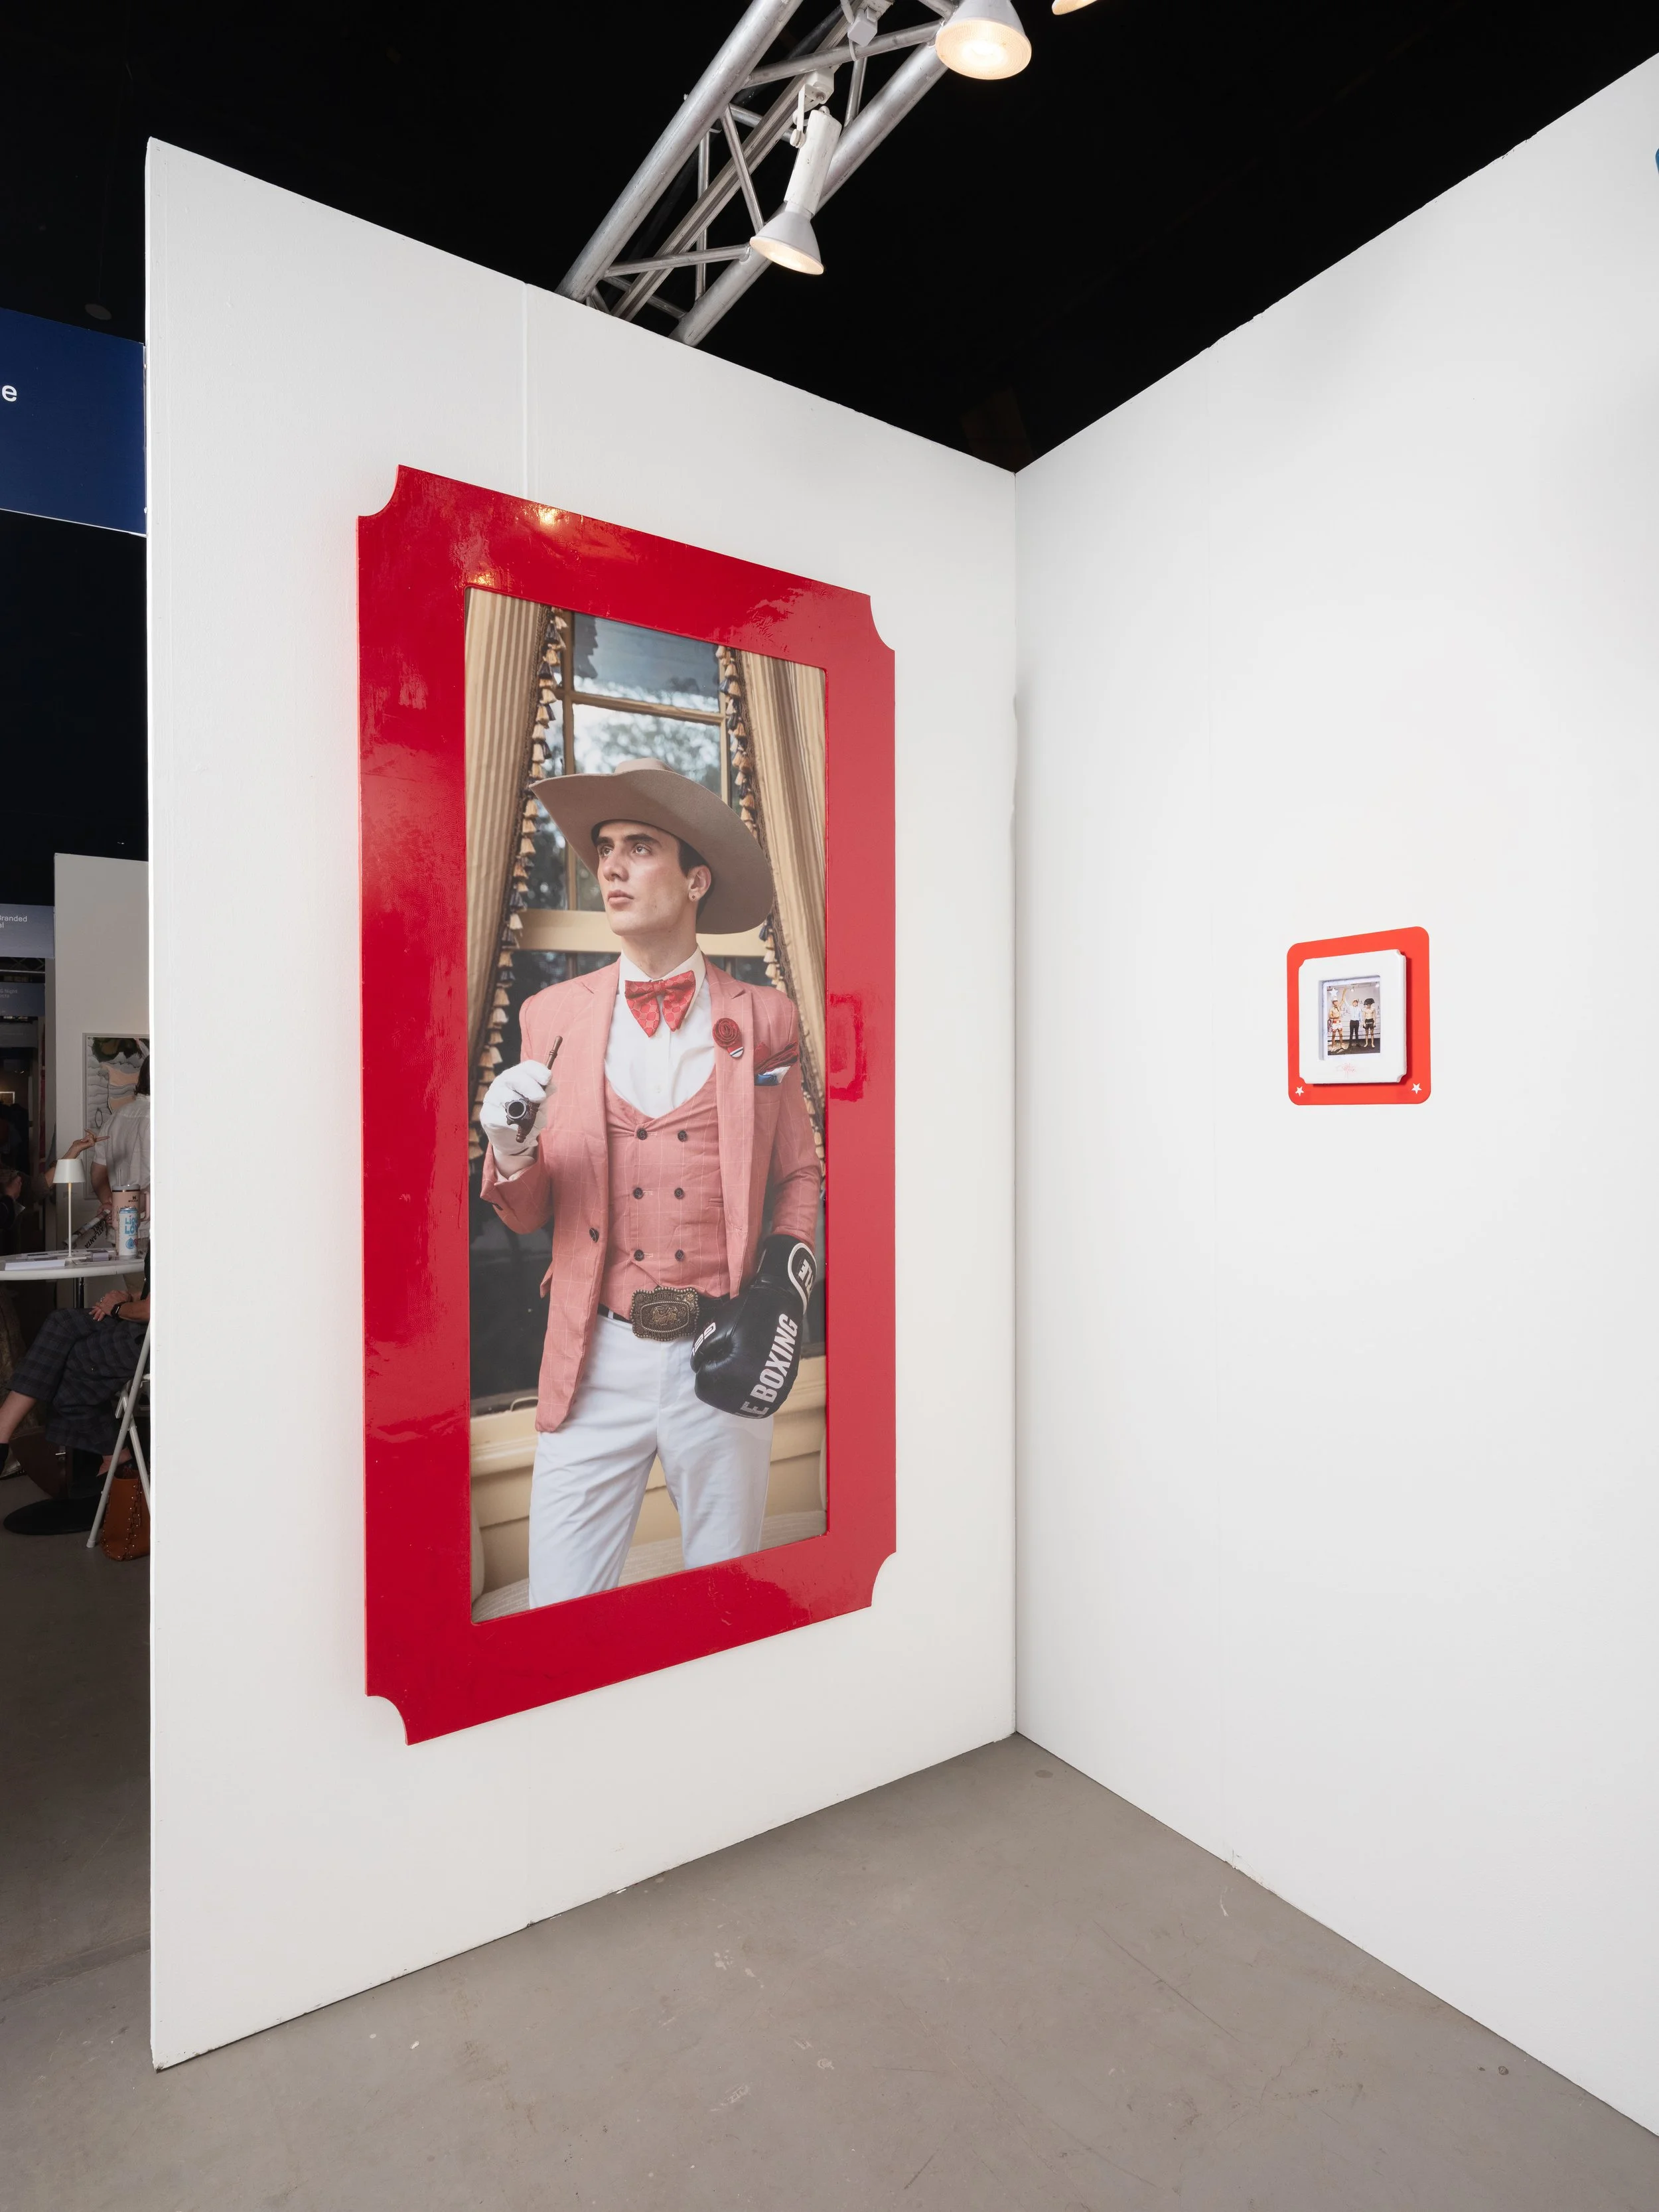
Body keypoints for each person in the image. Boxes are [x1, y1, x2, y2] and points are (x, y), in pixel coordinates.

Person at [479, 758, 821, 1608]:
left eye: (640, 847)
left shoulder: (765, 1018)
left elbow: (798, 1172)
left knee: (721, 1602)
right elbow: (527, 1213)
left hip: (722, 1349)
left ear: (695, 879)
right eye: (604, 851)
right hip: (594, 1359)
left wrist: (781, 1294)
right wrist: (509, 1149)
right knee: (559, 1615)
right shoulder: (551, 1017)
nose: (613, 868)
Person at [0, 1254, 149, 1535]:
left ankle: (115, 1458)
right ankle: (114, 1459)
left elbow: (158, 1307)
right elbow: (163, 1292)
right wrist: (126, 1297)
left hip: (159, 1337)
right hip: (144, 1322)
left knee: (68, 1361)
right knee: (61, 1323)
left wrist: (119, 1308)